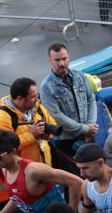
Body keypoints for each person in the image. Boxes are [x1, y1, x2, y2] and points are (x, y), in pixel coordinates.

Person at [40, 43, 99, 175]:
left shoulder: (80, 76)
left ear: (69, 57)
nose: (62, 63)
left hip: (88, 135)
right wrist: (85, 129)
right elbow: (56, 116)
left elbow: (91, 100)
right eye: (57, 60)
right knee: (74, 180)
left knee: (95, 174)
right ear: (50, 61)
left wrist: (91, 124)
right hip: (66, 141)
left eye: (64, 59)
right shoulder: (46, 87)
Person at [0, 76, 60, 164]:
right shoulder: (2, 118)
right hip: (24, 171)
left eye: (36, 95)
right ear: (20, 99)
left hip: (45, 165)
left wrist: (47, 135)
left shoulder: (37, 106)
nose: (36, 98)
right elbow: (3, 148)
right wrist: (31, 135)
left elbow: (52, 123)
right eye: (33, 96)